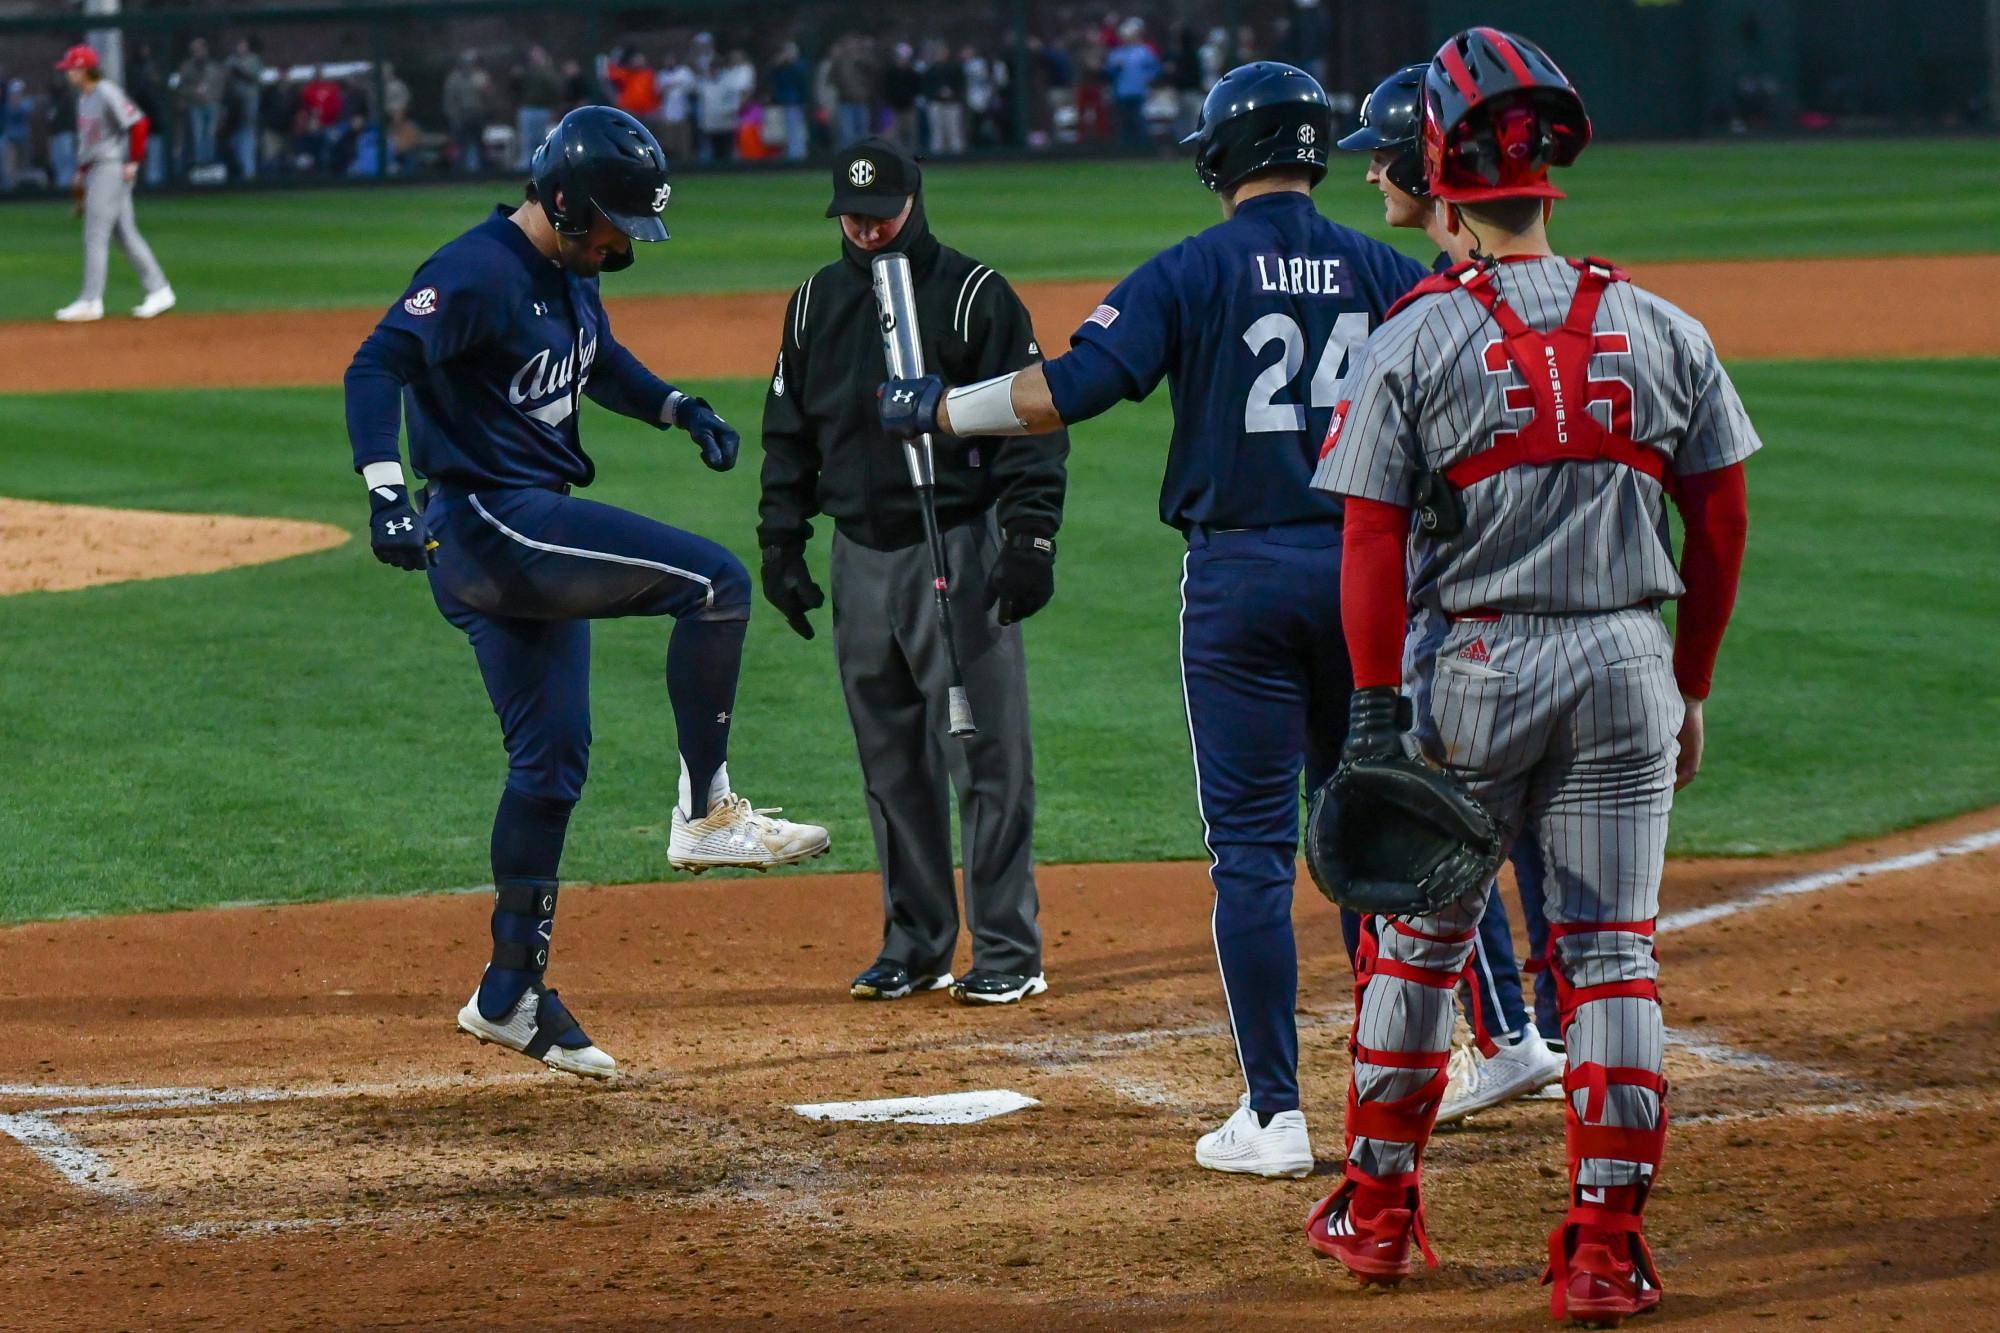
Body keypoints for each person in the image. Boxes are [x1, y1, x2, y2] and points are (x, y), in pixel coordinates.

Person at [878, 63, 1429, 1169]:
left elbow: (1063, 390)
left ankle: (1274, 1113)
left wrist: (940, 409)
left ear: (1222, 156)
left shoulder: (1193, 267)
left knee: (1252, 853)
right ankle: (1393, 1100)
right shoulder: (1389, 271)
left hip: (1240, 580)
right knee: (1368, 838)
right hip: (1369, 575)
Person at [1302, 30, 1756, 1323]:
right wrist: (1692, 682)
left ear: (1442, 181)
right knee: (1611, 956)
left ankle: (1377, 1216)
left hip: (1475, 672)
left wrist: (1375, 712)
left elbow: (1369, 540)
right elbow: (1719, 522)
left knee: (1419, 944)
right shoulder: (1663, 326)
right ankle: (1604, 1251)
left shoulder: (1416, 335)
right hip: (1625, 664)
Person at [341, 106, 831, 1080]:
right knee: (715, 583)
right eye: (613, 225)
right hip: (490, 523)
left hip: (525, 527)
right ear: (564, 201)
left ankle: (509, 994)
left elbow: (596, 360)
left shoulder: (569, 273)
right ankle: (706, 812)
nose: (622, 246)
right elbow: (376, 363)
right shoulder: (475, 271)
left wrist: (675, 407)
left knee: (551, 763)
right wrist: (385, 490)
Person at [759, 139, 1065, 1005]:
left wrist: (1029, 539)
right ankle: (918, 942)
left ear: (913, 202)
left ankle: (1007, 949)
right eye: (852, 217)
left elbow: (1032, 422)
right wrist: (781, 542)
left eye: (881, 214)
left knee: (987, 757)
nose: (866, 229)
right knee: (890, 762)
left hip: (957, 545)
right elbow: (789, 434)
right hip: (858, 554)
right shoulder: (815, 304)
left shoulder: (974, 295)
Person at [1336, 61, 1567, 1124]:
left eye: (1378, 161)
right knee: (1588, 904)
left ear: (1420, 167)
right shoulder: (1588, 302)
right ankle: (1556, 1040)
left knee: (1433, 897)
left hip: (1473, 642)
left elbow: (1376, 520)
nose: (1367, 178)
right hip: (1597, 636)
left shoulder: (1434, 313)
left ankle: (1386, 1183)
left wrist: (1376, 700)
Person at [52, 45, 175, 323]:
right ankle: (159, 290)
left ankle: (91, 300)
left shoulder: (106, 91)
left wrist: (134, 161)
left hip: (110, 168)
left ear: (84, 69)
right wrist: (81, 171)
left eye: (71, 68)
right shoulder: (84, 98)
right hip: (96, 167)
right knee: (125, 234)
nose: (68, 73)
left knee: (95, 234)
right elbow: (90, 142)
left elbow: (139, 123)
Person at [1104, 17, 1161, 151]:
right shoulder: (1117, 53)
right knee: (1124, 121)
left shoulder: (1144, 51)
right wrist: (1114, 68)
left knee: (1139, 119)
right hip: (1121, 92)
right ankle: (1126, 148)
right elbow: (1108, 72)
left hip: (1138, 91)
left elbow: (1155, 68)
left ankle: (1143, 147)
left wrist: (1148, 79)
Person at [176, 38, 225, 170]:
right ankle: (200, 165)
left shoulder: (214, 67)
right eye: (195, 50)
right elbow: (181, 88)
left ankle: (209, 163)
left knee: (210, 135)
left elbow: (221, 86)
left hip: (212, 105)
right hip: (195, 105)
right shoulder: (186, 67)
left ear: (205, 49)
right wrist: (194, 91)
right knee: (198, 135)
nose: (198, 52)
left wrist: (214, 97)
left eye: (200, 49)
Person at [442, 50, 492, 174]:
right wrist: (454, 117)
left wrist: (485, 89)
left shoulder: (480, 77)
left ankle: (480, 173)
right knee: (461, 146)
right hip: (461, 116)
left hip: (477, 116)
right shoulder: (454, 79)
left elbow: (488, 98)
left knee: (479, 145)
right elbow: (450, 100)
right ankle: (460, 173)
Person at [515, 45, 562, 170]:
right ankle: (526, 166)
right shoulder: (525, 70)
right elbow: (515, 87)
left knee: (543, 139)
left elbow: (555, 89)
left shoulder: (548, 71)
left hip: (543, 109)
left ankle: (542, 166)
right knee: (527, 140)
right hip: (527, 109)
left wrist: (554, 108)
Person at [224, 38, 265, 180]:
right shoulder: (230, 60)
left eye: (244, 46)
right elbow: (226, 75)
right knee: (234, 139)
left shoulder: (254, 60)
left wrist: (238, 70)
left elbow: (253, 75)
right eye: (239, 46)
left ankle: (249, 170)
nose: (241, 48)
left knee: (248, 135)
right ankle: (238, 169)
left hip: (249, 105)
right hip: (233, 106)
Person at [767, 41, 810, 163]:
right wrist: (778, 63)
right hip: (783, 102)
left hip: (796, 102)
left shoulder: (799, 64)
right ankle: (792, 155)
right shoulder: (780, 65)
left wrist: (791, 63)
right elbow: (771, 77)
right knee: (786, 131)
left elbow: (802, 79)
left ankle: (797, 156)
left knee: (796, 130)